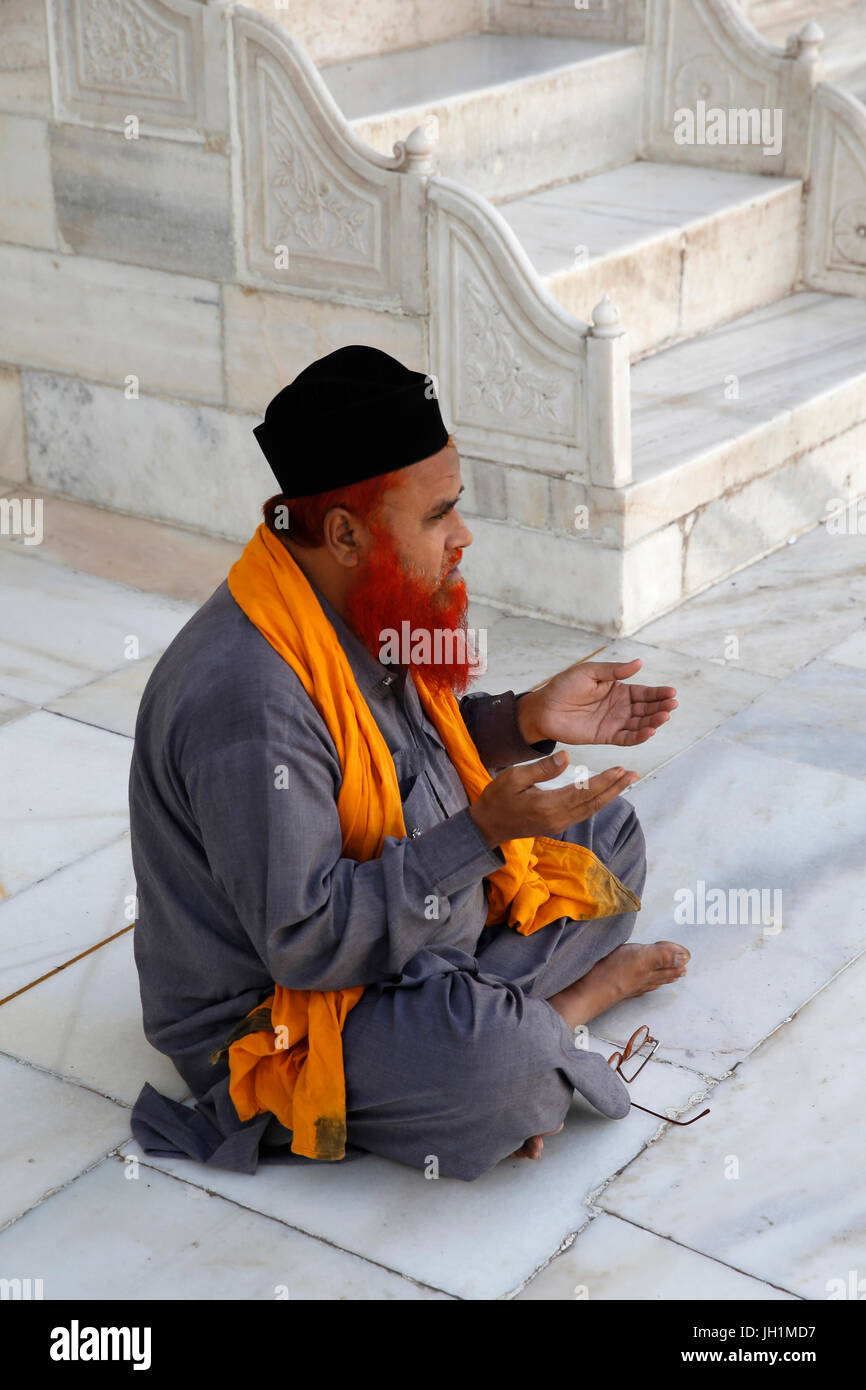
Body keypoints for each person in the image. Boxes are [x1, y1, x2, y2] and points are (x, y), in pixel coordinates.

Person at [129, 345, 688, 1181]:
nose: (462, 538)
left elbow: (402, 757)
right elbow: (304, 943)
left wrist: (521, 720)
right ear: (347, 531)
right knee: (496, 1073)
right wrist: (482, 834)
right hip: (281, 1017)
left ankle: (496, 1023)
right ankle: (559, 1013)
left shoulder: (351, 599)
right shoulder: (250, 700)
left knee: (606, 837)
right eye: (438, 516)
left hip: (395, 932)